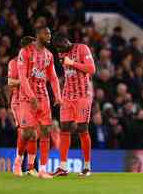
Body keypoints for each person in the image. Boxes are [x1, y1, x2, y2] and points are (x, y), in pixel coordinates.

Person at [16, 26, 61, 178]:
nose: (49, 35)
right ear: (38, 34)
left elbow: (53, 77)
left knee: (46, 132)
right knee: (28, 133)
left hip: (43, 98)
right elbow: (22, 77)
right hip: (27, 98)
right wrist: (31, 96)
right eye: (46, 33)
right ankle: (18, 160)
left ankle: (42, 169)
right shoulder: (25, 51)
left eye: (50, 33)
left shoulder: (49, 55)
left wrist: (58, 96)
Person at [51, 32, 95, 177]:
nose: (59, 52)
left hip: (83, 95)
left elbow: (91, 69)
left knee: (82, 129)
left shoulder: (82, 48)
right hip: (67, 96)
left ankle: (87, 167)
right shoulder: (61, 54)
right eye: (57, 50)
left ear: (65, 41)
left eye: (60, 48)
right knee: (64, 128)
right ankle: (63, 167)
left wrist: (72, 63)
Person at [10, 36, 38, 177]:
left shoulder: (36, 61)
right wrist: (24, 81)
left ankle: (31, 167)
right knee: (24, 133)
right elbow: (10, 82)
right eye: (33, 46)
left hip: (32, 100)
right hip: (18, 101)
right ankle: (18, 164)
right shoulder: (14, 62)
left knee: (34, 134)